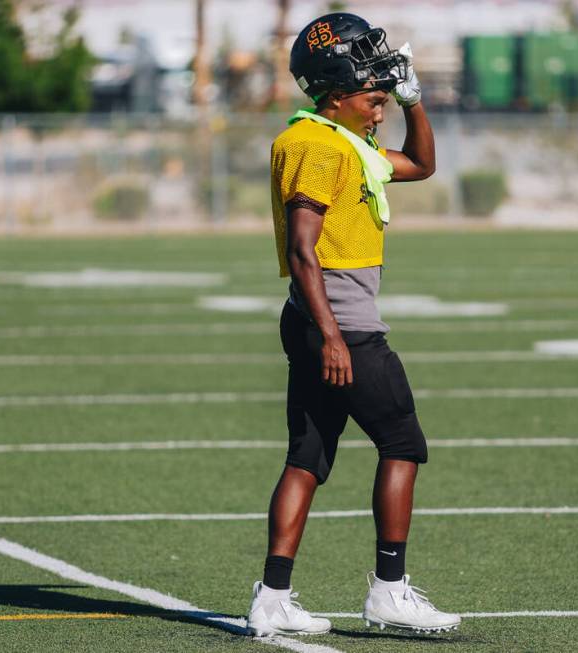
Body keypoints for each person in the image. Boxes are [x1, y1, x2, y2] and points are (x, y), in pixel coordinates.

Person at [247, 12, 461, 638]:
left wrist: (412, 100)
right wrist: (335, 335)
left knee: (308, 458)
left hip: (316, 319)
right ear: (335, 96)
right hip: (340, 319)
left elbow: (420, 164)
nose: (381, 111)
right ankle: (389, 590)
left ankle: (272, 597)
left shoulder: (339, 138)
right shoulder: (317, 144)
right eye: (373, 100)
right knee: (403, 444)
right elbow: (302, 250)